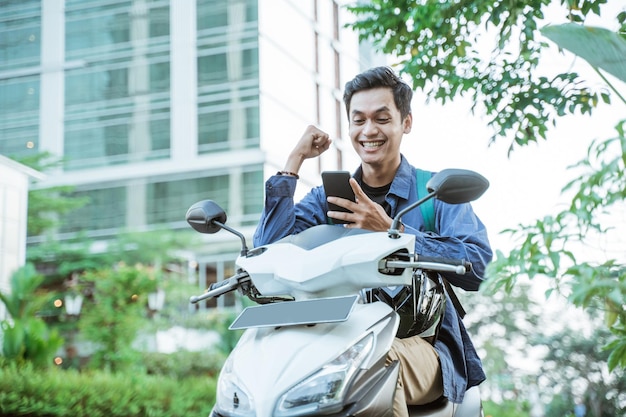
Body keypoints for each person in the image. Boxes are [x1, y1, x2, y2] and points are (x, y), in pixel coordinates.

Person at [253, 66, 492, 417]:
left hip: (421, 347)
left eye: (381, 118)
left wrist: (392, 233)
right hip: (337, 339)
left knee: (374, 362)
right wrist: (294, 161)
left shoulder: (435, 194)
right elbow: (270, 251)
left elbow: (478, 265)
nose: (368, 131)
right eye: (358, 120)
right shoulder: (329, 199)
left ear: (405, 122)